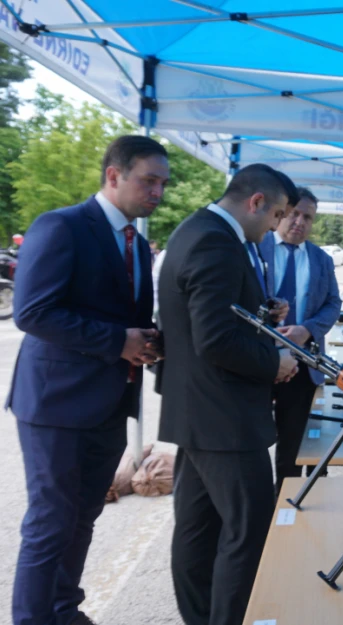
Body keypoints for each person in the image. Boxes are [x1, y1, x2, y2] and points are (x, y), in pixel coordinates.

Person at [8, 135, 166, 625]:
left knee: (83, 518)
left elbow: (125, 317)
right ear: (114, 175)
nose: (157, 191)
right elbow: (32, 313)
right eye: (148, 180)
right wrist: (118, 340)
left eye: (163, 183)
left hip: (109, 401)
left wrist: (150, 342)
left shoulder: (138, 244)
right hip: (55, 402)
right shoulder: (62, 226)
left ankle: (64, 610)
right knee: (51, 523)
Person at [157, 163, 300, 625]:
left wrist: (261, 311)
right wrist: (274, 362)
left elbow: (213, 314)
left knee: (198, 532)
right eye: (277, 214)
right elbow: (214, 339)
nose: (278, 225)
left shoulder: (198, 230)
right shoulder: (216, 241)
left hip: (202, 414)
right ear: (255, 202)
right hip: (224, 418)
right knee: (247, 532)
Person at [259, 187, 342, 496]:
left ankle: (286, 508)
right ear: (281, 213)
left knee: (293, 444)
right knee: (253, 442)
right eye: (294, 213)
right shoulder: (258, 246)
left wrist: (307, 329)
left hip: (302, 365)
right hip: (257, 361)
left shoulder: (321, 259)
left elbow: (333, 304)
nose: (299, 222)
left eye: (307, 217)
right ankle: (257, 508)